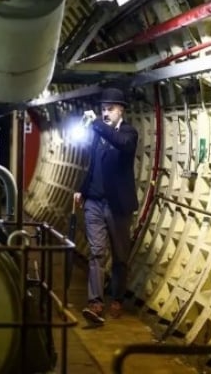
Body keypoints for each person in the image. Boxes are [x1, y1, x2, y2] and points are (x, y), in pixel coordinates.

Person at [74, 87, 139, 324]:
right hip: (94, 202)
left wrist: (98, 125)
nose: (106, 113)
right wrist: (81, 189)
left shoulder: (129, 133)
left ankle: (117, 297)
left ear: (121, 110)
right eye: (103, 109)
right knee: (97, 252)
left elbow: (122, 144)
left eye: (110, 109)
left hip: (118, 205)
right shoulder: (98, 134)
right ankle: (95, 302)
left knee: (120, 256)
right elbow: (92, 166)